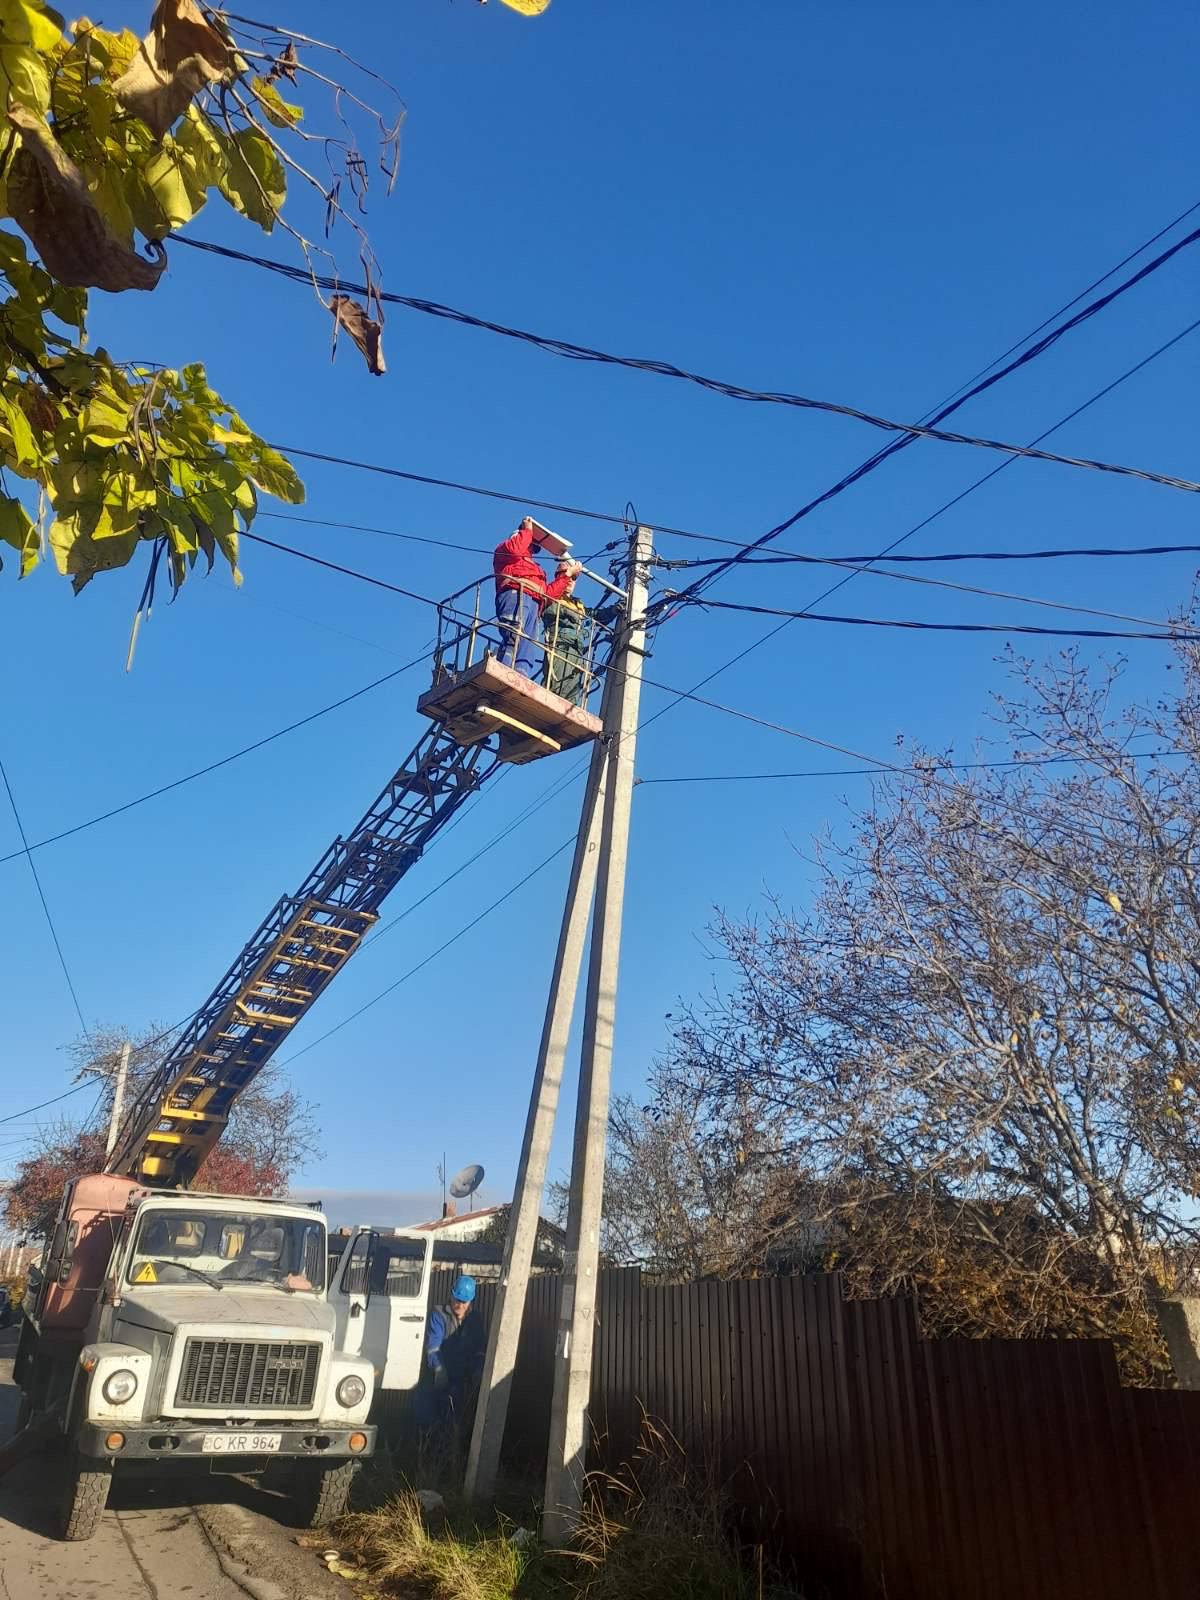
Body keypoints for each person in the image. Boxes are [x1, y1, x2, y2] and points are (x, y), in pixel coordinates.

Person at [493, 517, 581, 679]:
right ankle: (504, 669)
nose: (531, 548)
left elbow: (548, 594)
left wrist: (567, 575)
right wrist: (527, 530)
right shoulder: (505, 551)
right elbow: (515, 549)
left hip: (534, 603)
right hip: (516, 594)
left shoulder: (536, 570)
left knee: (528, 643)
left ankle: (521, 674)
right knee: (513, 633)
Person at [413, 1274, 485, 1428]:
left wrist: (478, 1370)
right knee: (427, 1420)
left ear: (470, 1301)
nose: (459, 1305)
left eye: (463, 1302)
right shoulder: (438, 1315)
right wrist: (439, 1368)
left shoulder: (475, 1320)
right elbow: (433, 1347)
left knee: (457, 1423)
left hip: (462, 1382)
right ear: (451, 1295)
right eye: (457, 1300)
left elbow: (480, 1349)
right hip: (437, 1379)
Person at [542, 560, 592, 704]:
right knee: (556, 682)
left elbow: (594, 615)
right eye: (567, 575)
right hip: (559, 644)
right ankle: (549, 704)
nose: (570, 580)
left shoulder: (578, 604)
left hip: (576, 648)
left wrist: (613, 610)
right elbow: (545, 607)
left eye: (574, 578)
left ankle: (568, 707)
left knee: (572, 685)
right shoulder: (552, 594)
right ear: (558, 576)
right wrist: (565, 611)